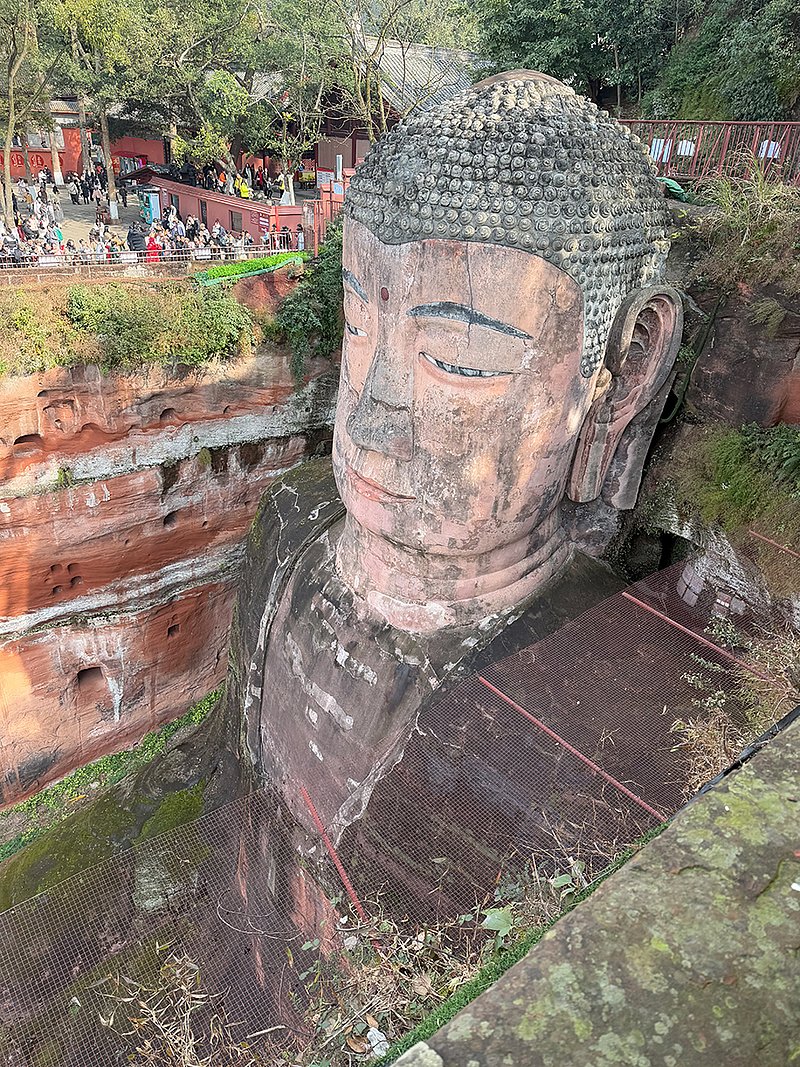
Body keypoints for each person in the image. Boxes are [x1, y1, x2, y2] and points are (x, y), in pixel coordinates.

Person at [237, 71, 683, 852]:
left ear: (621, 378)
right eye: (357, 322)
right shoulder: (288, 532)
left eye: (461, 360)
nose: (373, 419)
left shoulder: (594, 726)